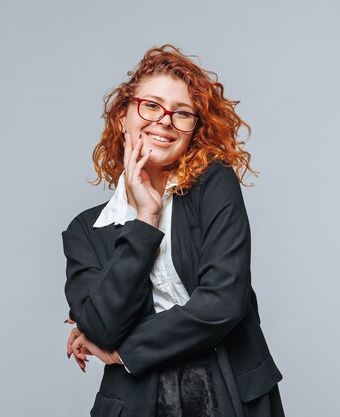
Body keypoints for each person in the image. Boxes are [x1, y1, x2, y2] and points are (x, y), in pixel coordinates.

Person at [62, 45, 284, 417]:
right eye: (151, 106)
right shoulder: (85, 230)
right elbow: (101, 326)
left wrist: (122, 350)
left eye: (182, 114)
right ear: (122, 115)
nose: (164, 121)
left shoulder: (214, 185)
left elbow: (223, 303)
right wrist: (145, 219)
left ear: (193, 130)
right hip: (136, 402)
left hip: (229, 394)